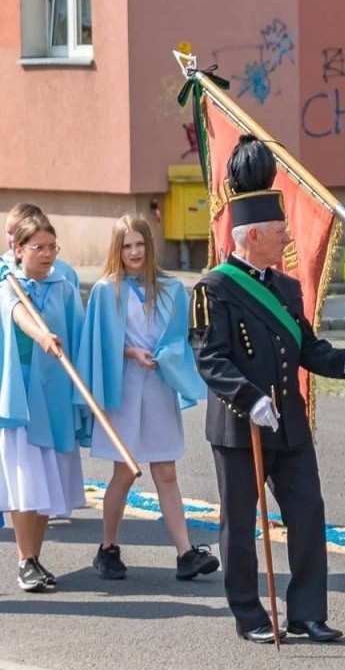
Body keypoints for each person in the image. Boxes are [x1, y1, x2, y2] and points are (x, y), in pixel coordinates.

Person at [189, 135, 345, 644]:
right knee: (240, 526)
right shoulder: (214, 289)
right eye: (278, 232)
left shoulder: (288, 288)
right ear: (250, 236)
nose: (286, 239)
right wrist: (249, 399)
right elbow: (211, 357)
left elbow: (306, 349)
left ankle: (308, 613)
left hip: (288, 423)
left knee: (308, 515)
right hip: (241, 425)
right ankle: (249, 614)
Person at [78, 215, 214, 581]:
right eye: (127, 246)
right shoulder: (107, 291)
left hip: (157, 387)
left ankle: (185, 552)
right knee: (123, 471)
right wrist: (130, 353)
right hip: (123, 389)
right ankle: (108, 548)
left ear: (150, 246)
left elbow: (184, 339)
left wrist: (169, 356)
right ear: (117, 250)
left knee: (166, 470)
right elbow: (97, 342)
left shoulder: (171, 288)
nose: (134, 252)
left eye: (140, 244)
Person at [0, 215, 88, 591]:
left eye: (52, 247)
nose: (47, 254)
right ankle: (24, 560)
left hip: (53, 397)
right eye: (39, 247)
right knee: (26, 481)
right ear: (18, 250)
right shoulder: (8, 286)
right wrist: (42, 336)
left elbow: (80, 334)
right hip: (22, 398)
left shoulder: (64, 287)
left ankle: (34, 558)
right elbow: (20, 318)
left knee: (46, 483)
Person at [3, 203, 80, 288]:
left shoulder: (64, 272)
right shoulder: (3, 266)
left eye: (19, 232)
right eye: (9, 233)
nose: (13, 239)